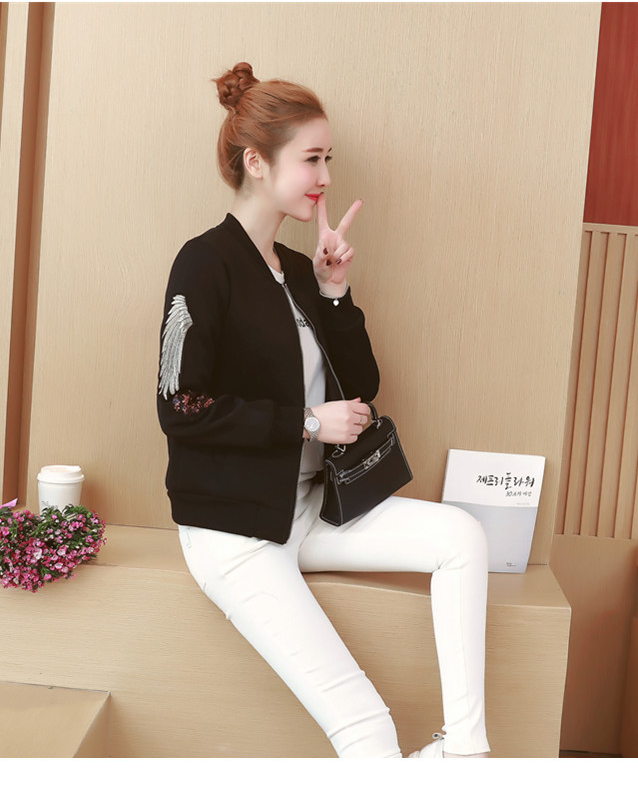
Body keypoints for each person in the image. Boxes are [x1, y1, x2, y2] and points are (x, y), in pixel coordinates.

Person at [157, 61, 490, 758]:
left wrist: (335, 292)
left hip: (308, 510)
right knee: (368, 730)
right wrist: (307, 423)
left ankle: (465, 750)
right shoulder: (204, 263)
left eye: (328, 159)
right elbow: (179, 405)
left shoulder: (299, 270)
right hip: (236, 533)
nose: (326, 176)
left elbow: (362, 386)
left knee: (461, 537)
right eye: (312, 158)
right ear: (256, 162)